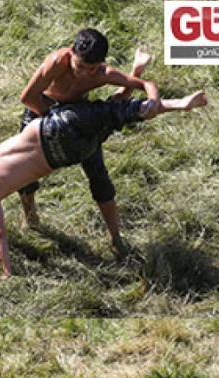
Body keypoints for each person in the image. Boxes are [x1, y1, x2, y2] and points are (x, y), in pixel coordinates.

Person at [0, 90, 207, 277]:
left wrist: (7, 272)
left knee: (108, 121)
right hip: (55, 121)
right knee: (112, 112)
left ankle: (154, 94)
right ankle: (174, 102)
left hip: (63, 148)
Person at [18, 30, 154, 254]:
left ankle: (115, 237)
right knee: (23, 167)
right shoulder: (56, 62)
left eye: (91, 69)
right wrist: (52, 120)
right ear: (72, 53)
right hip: (41, 107)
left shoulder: (100, 72)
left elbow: (142, 86)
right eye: (79, 66)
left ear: (100, 64)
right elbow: (27, 97)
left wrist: (153, 99)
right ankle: (30, 215)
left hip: (77, 111)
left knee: (98, 172)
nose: (83, 73)